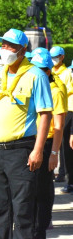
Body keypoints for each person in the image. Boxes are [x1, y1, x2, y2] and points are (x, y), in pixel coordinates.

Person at [0, 29, 53, 238]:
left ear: (22, 50)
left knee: (22, 211)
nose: (4, 49)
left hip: (20, 150)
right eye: (3, 45)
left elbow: (45, 114)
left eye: (9, 46)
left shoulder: (36, 75)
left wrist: (38, 150)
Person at [30, 51, 67, 239]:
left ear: (48, 71)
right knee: (30, 187)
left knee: (42, 188)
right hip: (31, 140)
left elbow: (59, 126)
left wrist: (54, 153)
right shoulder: (34, 85)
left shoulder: (56, 91)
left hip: (47, 143)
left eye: (40, 69)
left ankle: (40, 228)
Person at [51, 46, 73, 188]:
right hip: (53, 110)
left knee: (65, 144)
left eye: (56, 56)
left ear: (62, 57)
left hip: (67, 109)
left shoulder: (67, 73)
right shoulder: (51, 71)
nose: (54, 60)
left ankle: (66, 175)